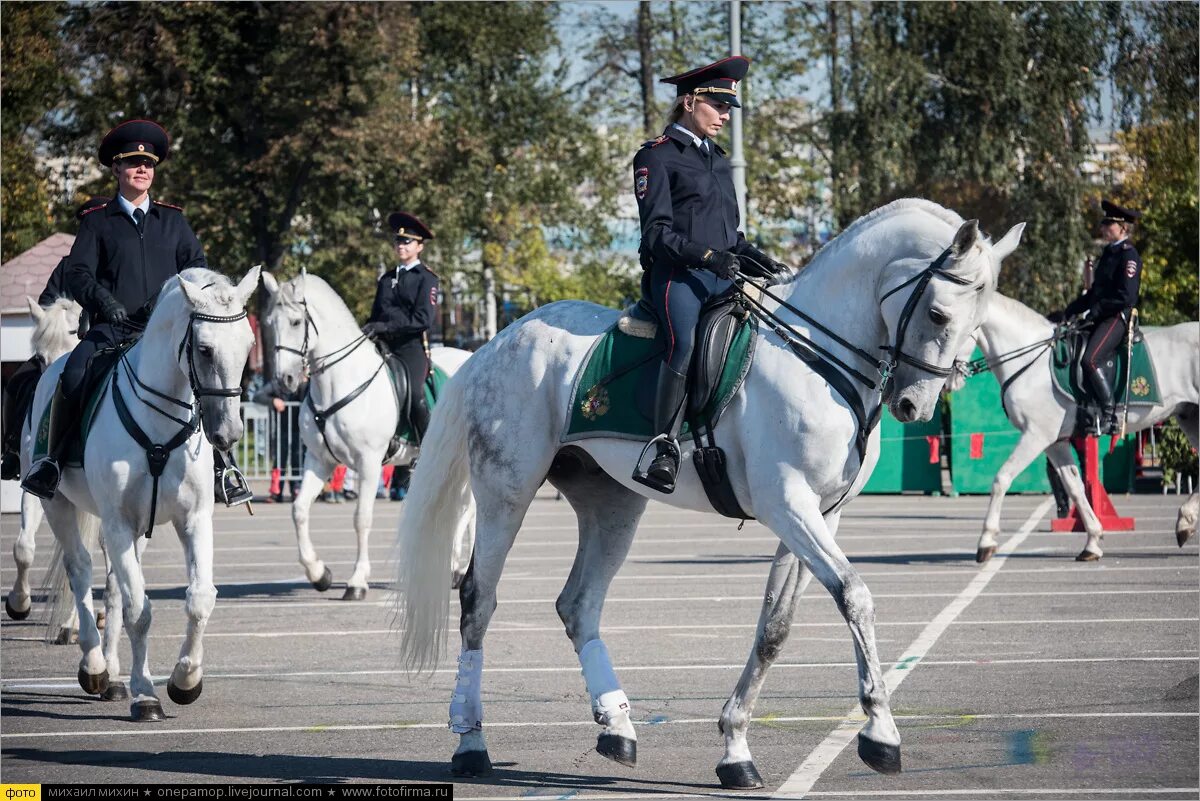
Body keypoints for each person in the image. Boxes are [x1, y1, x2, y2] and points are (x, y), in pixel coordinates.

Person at [21, 119, 252, 506]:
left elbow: (197, 267)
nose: (142, 169)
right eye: (132, 163)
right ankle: (52, 462)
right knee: (73, 374)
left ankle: (221, 469)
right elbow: (76, 273)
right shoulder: (97, 221)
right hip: (112, 331)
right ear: (116, 169)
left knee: (204, 377)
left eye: (148, 164)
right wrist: (102, 300)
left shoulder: (173, 221)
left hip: (163, 333)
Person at [632, 55, 787, 493]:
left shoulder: (719, 162)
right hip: (678, 279)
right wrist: (706, 256)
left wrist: (759, 259)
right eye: (717, 106)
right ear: (688, 101)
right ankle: (662, 447)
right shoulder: (656, 157)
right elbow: (657, 235)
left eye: (727, 109)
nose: (724, 116)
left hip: (723, 277)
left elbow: (730, 235)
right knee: (684, 344)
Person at [1, 196, 109, 481]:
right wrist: (66, 312)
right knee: (17, 381)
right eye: (87, 224)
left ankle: (219, 465)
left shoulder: (117, 257)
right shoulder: (68, 265)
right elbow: (47, 301)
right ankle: (12, 451)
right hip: (65, 344)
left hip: (109, 341)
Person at [1048, 200, 1143, 434]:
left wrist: (1096, 312)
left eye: (1109, 223)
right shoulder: (1109, 253)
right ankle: (1083, 408)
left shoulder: (1128, 256)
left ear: (1123, 228)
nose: (1104, 228)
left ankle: (1110, 414)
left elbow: (1126, 297)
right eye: (1104, 223)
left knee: (1089, 360)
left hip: (1117, 317)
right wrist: (1069, 311)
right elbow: (1093, 294)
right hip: (1101, 315)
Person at [361, 212, 439, 445]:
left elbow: (422, 319)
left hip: (410, 348)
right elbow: (375, 315)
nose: (401, 245)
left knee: (415, 397)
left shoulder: (427, 278)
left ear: (419, 247)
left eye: (407, 241)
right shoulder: (386, 279)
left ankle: (428, 448)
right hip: (381, 346)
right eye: (398, 241)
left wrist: (384, 327)